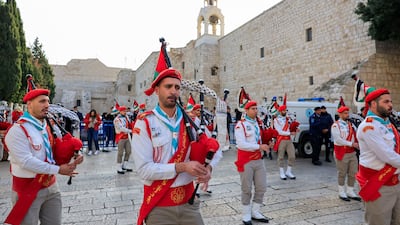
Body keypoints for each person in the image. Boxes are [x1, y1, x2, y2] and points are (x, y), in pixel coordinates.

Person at [132, 68, 220, 225]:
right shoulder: (145, 122)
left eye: (177, 87)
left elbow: (214, 148)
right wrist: (182, 167)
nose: (173, 91)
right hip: (159, 206)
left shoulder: (192, 122)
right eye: (168, 86)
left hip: (189, 203)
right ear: (157, 90)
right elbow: (144, 169)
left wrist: (208, 169)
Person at [4, 87, 83, 225]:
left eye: (47, 101)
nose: (46, 105)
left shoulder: (47, 126)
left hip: (51, 186)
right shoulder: (18, 130)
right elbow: (26, 162)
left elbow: (56, 149)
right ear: (29, 104)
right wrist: (58, 170)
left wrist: (74, 153)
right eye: (41, 101)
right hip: (27, 190)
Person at [356, 89, 400, 225]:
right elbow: (387, 155)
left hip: (395, 181)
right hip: (379, 184)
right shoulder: (368, 127)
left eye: (391, 101)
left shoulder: (388, 124)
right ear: (373, 104)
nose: (390, 105)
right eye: (386, 102)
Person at [235, 100, 271, 225]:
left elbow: (262, 137)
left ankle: (255, 212)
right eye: (253, 108)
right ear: (246, 110)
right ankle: (246, 214)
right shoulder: (241, 125)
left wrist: (268, 142)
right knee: (247, 188)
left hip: (259, 160)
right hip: (246, 160)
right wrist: (259, 147)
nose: (256, 111)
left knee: (261, 187)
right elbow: (241, 144)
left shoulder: (259, 124)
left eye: (256, 108)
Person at [331, 106, 361, 202]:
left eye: (347, 113)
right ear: (340, 114)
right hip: (342, 152)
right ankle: (341, 192)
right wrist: (351, 144)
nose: (347, 115)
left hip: (352, 152)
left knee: (353, 172)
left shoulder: (351, 125)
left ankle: (350, 191)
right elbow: (338, 140)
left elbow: (358, 134)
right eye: (345, 113)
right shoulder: (336, 125)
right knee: (342, 173)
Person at [274, 105, 297, 180]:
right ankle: (281, 172)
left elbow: (292, 127)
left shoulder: (289, 119)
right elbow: (279, 131)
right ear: (280, 111)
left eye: (285, 110)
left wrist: (296, 129)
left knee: (292, 155)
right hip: (282, 139)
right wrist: (290, 133)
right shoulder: (276, 120)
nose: (285, 112)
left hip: (289, 139)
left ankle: (288, 171)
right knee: (281, 156)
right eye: (283, 110)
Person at [113, 105, 133, 174]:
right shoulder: (117, 119)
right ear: (120, 111)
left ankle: (125, 165)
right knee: (120, 153)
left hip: (127, 137)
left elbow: (129, 124)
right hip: (120, 137)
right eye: (124, 111)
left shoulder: (126, 117)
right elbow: (121, 128)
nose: (125, 112)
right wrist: (131, 131)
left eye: (125, 111)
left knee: (128, 151)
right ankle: (119, 166)